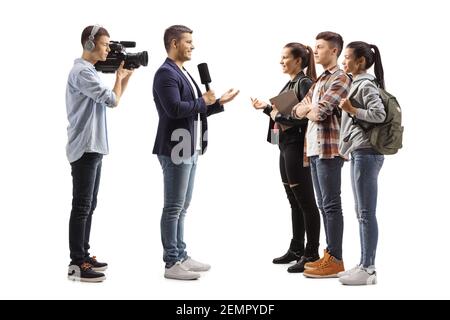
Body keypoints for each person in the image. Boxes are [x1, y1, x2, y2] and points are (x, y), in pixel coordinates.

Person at [153, 25, 239, 280]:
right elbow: (175, 109)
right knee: (173, 207)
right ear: (173, 43)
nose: (193, 46)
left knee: (183, 206)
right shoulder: (165, 74)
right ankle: (171, 263)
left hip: (189, 144)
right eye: (188, 42)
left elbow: (195, 109)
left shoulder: (183, 72)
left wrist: (218, 103)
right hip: (175, 146)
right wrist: (205, 101)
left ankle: (181, 254)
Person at [66, 25, 134, 282]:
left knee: (89, 204)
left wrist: (125, 76)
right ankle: (76, 263)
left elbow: (113, 100)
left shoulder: (89, 72)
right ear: (90, 45)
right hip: (85, 146)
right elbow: (112, 100)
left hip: (92, 146)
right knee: (82, 205)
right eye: (105, 45)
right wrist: (118, 77)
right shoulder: (83, 72)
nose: (109, 49)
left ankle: (83, 255)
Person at [251, 43, 321, 273]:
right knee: (293, 199)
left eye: (284, 58)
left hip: (297, 146)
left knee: (305, 201)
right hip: (285, 145)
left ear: (298, 61)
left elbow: (306, 118)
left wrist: (275, 112)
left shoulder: (306, 83)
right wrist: (266, 109)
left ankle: (311, 253)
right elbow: (283, 115)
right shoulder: (291, 83)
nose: (281, 61)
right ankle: (296, 248)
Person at [292, 31, 351, 278]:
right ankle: (329, 255)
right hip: (313, 150)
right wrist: (308, 109)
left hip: (329, 150)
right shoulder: (317, 82)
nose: (314, 52)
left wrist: (309, 109)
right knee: (323, 205)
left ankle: (335, 259)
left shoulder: (341, 78)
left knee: (331, 204)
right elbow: (296, 110)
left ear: (334, 51)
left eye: (320, 47)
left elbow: (321, 112)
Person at [337, 41, 386, 285]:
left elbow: (379, 115)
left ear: (361, 62)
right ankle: (363, 263)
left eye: (347, 57)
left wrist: (352, 109)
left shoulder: (365, 84)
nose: (343, 62)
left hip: (367, 153)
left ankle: (368, 269)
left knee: (366, 212)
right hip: (359, 152)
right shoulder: (355, 83)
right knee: (361, 212)